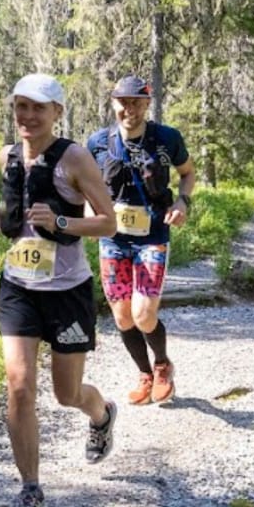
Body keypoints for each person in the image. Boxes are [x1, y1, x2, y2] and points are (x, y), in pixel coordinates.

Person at [0, 73, 119, 507]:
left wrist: (63, 221)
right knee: (20, 386)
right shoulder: (10, 155)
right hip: (18, 287)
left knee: (67, 394)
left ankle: (101, 413)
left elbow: (107, 223)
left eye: (38, 108)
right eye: (20, 107)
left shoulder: (75, 158)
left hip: (67, 292)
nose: (27, 117)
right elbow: (12, 209)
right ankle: (30, 488)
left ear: (57, 113)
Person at [85, 75, 196, 406]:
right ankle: (144, 374)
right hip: (113, 239)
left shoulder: (166, 138)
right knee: (122, 316)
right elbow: (85, 184)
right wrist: (90, 213)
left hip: (153, 236)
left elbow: (188, 173)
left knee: (144, 313)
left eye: (136, 102)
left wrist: (182, 203)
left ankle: (162, 365)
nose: (129, 109)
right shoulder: (98, 143)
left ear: (148, 104)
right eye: (123, 102)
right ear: (113, 103)